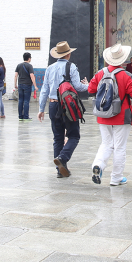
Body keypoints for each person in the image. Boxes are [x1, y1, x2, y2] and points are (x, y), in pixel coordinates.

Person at [37, 40, 89, 178]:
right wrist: (88, 85)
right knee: (74, 135)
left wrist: (41, 108)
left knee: (58, 138)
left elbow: (44, 90)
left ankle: (60, 170)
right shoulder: (71, 67)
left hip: (53, 104)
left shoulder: (49, 68)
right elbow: (78, 87)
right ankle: (63, 158)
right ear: (68, 55)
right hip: (67, 105)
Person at [89, 43, 132, 186]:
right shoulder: (126, 75)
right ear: (122, 60)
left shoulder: (100, 73)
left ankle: (97, 165)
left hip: (103, 114)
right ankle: (116, 178)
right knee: (119, 147)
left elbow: (91, 89)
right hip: (121, 115)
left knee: (106, 143)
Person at [14, 53, 37, 121]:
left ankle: (20, 116)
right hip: (27, 85)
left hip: (20, 85)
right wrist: (35, 85)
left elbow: (15, 76)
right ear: (29, 58)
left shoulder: (18, 65)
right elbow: (32, 76)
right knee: (26, 101)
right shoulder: (29, 66)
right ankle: (26, 116)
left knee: (20, 100)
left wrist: (15, 84)